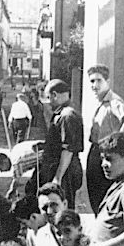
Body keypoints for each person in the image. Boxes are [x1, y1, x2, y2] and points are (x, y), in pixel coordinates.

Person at [86, 65, 124, 215]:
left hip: (106, 153)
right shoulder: (101, 102)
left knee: (104, 196)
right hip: (96, 151)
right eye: (92, 81)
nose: (94, 85)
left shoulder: (114, 102)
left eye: (99, 81)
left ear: (108, 81)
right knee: (95, 194)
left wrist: (117, 146)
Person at [40, 79, 84, 209]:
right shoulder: (62, 114)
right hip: (61, 168)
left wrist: (58, 178)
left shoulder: (67, 116)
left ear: (55, 95)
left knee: (63, 210)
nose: (48, 102)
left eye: (48, 97)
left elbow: (68, 150)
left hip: (66, 172)